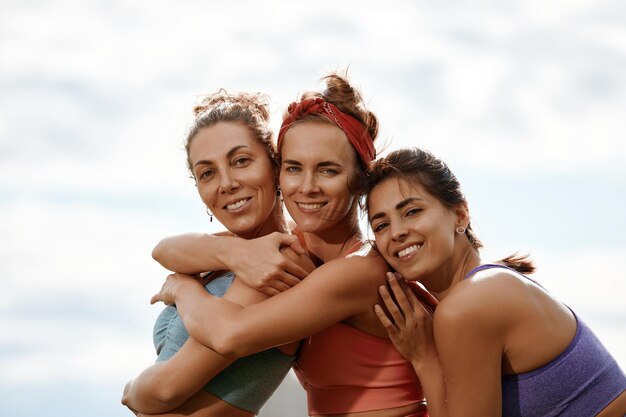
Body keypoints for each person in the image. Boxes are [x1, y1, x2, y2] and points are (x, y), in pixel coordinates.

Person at [151, 73, 428, 417]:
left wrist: (181, 289)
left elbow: (227, 336)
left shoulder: (361, 269)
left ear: (360, 180)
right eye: (295, 168)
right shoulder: (290, 246)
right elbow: (166, 250)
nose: (307, 187)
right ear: (280, 173)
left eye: (327, 170)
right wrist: (234, 251)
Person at [367, 148, 626, 417]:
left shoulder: (469, 304)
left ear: (460, 214)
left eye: (411, 211)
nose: (396, 232)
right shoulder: (491, 283)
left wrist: (423, 357)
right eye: (381, 225)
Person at [121, 89, 315, 417]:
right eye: (207, 173)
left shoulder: (279, 261)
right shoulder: (235, 254)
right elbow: (163, 250)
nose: (225, 183)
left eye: (240, 161)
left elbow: (165, 391)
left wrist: (130, 390)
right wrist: (233, 252)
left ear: (274, 165)